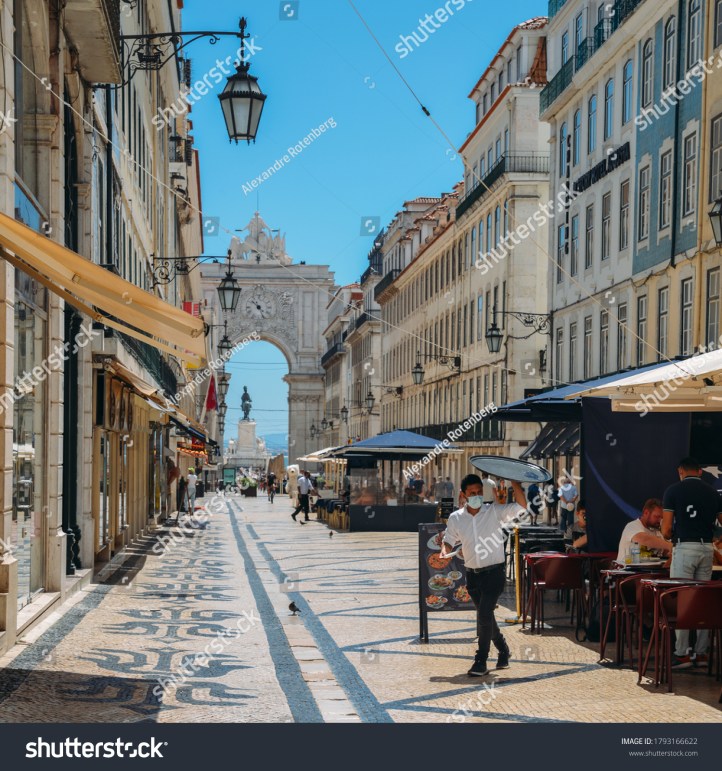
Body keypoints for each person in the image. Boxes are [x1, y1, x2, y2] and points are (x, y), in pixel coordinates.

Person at [440, 473, 527, 676]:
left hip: (494, 573)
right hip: (472, 576)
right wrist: (445, 550)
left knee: (485, 614)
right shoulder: (456, 518)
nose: (477, 496)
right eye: (472, 493)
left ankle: (481, 660)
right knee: (485, 616)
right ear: (463, 495)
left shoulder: (493, 512)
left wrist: (514, 482)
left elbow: (522, 508)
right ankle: (504, 650)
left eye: (479, 492)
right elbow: (449, 539)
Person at [662, 457, 722, 668]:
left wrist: (668, 537)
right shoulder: (713, 493)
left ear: (680, 471)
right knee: (702, 600)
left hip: (685, 547)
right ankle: (702, 653)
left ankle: (682, 653)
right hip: (706, 548)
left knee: (684, 601)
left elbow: (667, 528)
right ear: (700, 471)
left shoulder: (672, 491)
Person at [615, 498, 672, 565]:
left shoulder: (657, 531)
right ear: (646, 513)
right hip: (627, 571)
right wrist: (669, 545)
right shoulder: (632, 526)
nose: (660, 520)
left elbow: (666, 551)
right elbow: (643, 539)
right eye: (657, 516)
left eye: (662, 518)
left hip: (650, 572)